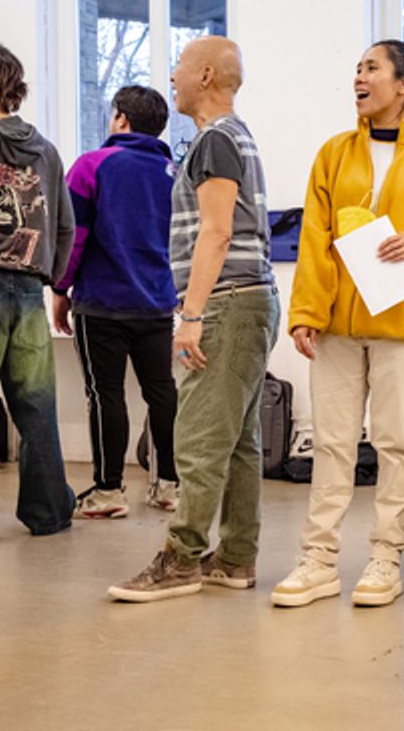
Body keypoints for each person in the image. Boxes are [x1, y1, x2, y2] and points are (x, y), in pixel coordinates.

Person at [270, 40, 404, 609]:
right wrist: (306, 313)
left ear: (403, 84)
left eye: (371, 69)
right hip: (337, 325)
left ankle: (386, 557)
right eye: (356, 69)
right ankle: (320, 560)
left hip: (403, 325)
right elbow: (315, 238)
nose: (358, 78)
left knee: (394, 443)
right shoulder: (334, 153)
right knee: (332, 443)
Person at [109, 36, 280, 602]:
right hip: (247, 300)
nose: (173, 78)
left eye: (179, 67)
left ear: (205, 75)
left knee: (200, 438)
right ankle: (233, 559)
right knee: (235, 443)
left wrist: (191, 314)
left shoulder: (214, 140)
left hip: (226, 302)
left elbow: (217, 230)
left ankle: (181, 558)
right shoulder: (234, 137)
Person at [0, 41, 76, 546]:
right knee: (37, 407)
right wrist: (48, 275)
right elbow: (65, 228)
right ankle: (48, 513)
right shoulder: (45, 150)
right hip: (29, 291)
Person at [52, 85, 181, 518]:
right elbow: (186, 242)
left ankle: (109, 490)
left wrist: (60, 288)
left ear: (120, 119)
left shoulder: (92, 165)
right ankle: (168, 486)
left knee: (105, 394)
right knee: (161, 390)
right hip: (159, 304)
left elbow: (74, 238)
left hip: (102, 303)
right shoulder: (174, 173)